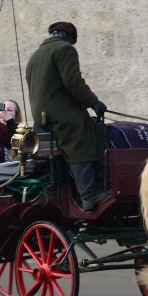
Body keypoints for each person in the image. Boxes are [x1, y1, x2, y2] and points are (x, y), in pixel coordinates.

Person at [25, 21, 111, 211]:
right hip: (61, 112)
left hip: (43, 114)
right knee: (81, 141)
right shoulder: (64, 49)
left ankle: (92, 188)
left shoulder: (36, 55)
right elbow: (73, 82)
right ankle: (90, 195)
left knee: (94, 132)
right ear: (71, 37)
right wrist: (93, 102)